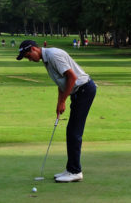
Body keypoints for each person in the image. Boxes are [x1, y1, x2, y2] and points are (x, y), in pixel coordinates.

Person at [16, 40, 96, 183]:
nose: (29, 59)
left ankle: (75, 171)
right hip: (79, 92)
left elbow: (72, 77)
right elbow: (62, 82)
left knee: (74, 132)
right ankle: (71, 168)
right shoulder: (46, 60)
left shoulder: (53, 55)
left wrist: (64, 101)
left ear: (34, 49)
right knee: (72, 131)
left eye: (28, 55)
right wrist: (59, 102)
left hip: (84, 90)